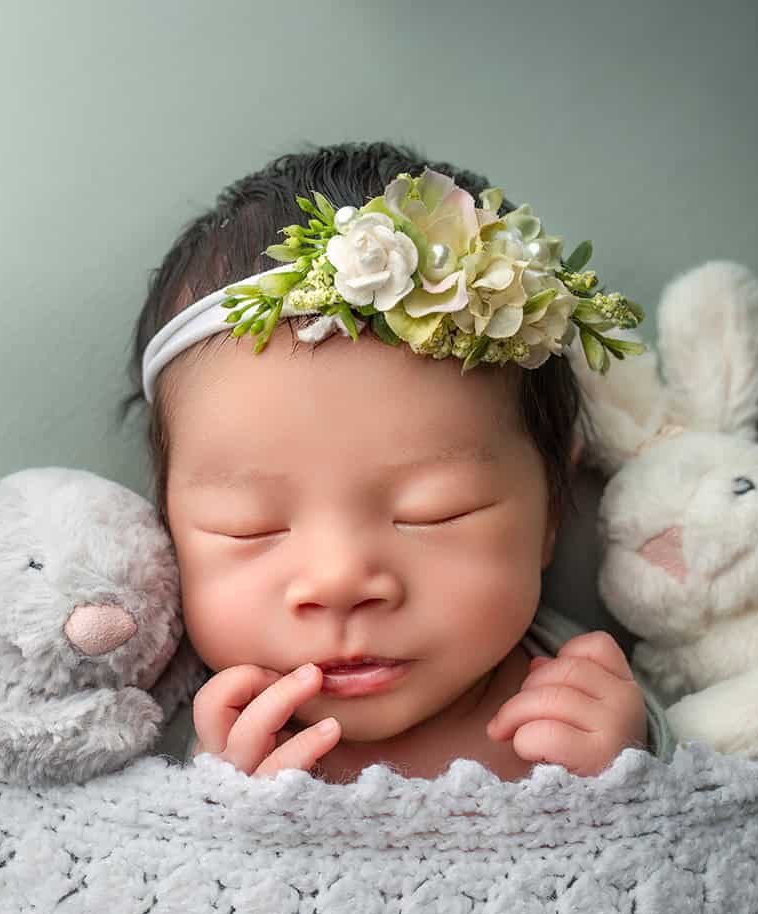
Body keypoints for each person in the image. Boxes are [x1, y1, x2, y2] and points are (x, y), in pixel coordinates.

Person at [122, 142, 673, 784]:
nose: (340, 582)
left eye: (434, 511)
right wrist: (216, 803)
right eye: (249, 526)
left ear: (552, 506)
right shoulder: (182, 737)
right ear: (166, 528)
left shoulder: (587, 713)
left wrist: (630, 772)